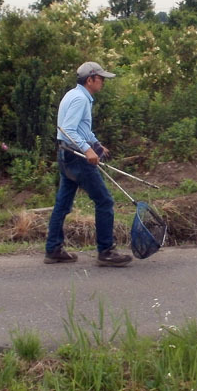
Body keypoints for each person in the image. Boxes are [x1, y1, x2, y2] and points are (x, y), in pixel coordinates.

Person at [44, 61, 132, 267]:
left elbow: (81, 128)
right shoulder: (80, 99)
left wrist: (96, 144)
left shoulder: (74, 95)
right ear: (90, 79)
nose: (103, 82)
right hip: (76, 157)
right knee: (104, 201)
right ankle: (106, 251)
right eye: (100, 78)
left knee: (62, 204)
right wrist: (87, 149)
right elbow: (68, 129)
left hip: (65, 154)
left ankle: (53, 249)